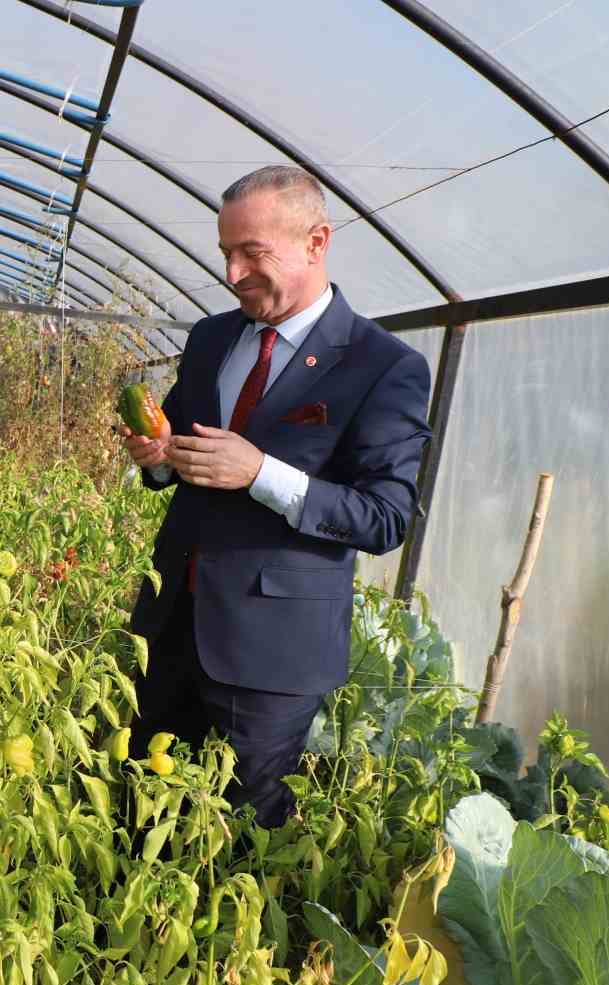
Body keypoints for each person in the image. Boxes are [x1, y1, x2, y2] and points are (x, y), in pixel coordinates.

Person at [119, 165, 432, 827]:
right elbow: (179, 448)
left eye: (252, 253)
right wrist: (157, 459)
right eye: (226, 253)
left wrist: (261, 471)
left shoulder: (382, 366)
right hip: (168, 620)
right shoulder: (211, 339)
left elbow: (383, 517)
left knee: (239, 828)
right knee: (137, 800)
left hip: (269, 653)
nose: (233, 274)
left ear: (316, 243)